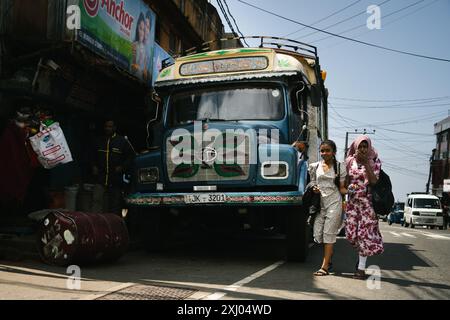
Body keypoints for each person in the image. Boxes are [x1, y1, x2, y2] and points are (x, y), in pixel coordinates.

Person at [345, 135, 384, 279]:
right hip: (352, 203)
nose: (362, 149)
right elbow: (345, 182)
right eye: (360, 146)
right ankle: (361, 253)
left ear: (368, 147)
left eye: (365, 146)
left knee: (364, 236)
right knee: (350, 234)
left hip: (368, 203)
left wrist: (366, 164)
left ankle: (361, 268)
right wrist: (349, 188)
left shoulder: (375, 161)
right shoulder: (349, 161)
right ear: (355, 147)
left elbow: (374, 182)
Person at [309, 140, 347, 276]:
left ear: (334, 152)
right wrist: (314, 188)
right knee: (318, 234)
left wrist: (354, 192)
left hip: (334, 202)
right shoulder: (315, 166)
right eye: (322, 151)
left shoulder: (340, 167)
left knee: (328, 234)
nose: (324, 153)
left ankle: (324, 267)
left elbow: (342, 188)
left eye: (327, 150)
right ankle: (329, 255)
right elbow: (313, 182)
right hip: (320, 204)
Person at [91, 119, 135, 215]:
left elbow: (131, 157)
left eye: (110, 126)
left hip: (115, 179)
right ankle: (96, 223)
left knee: (114, 205)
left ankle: (112, 225)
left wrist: (122, 167)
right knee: (97, 201)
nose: (107, 128)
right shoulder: (99, 140)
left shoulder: (122, 141)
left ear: (114, 128)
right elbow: (92, 155)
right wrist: (94, 166)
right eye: (106, 126)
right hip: (100, 178)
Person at [132, 12, 147, 79]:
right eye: (140, 29)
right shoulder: (134, 45)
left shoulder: (144, 49)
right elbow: (132, 66)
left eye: (143, 30)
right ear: (137, 29)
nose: (142, 33)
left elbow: (145, 71)